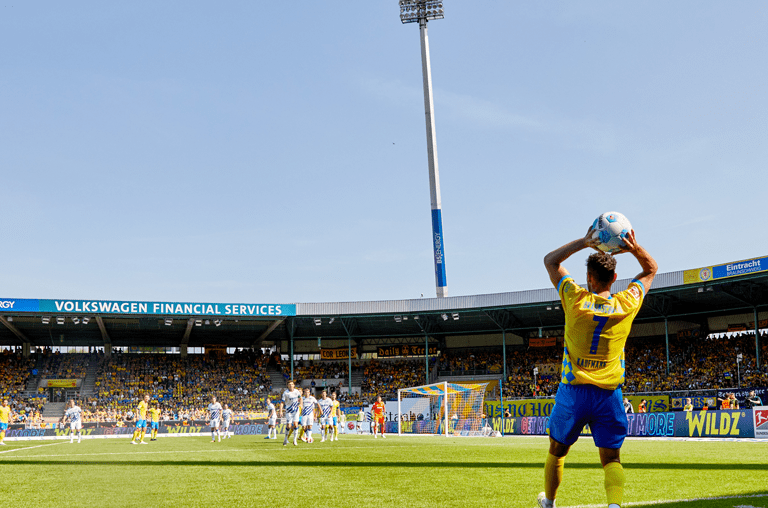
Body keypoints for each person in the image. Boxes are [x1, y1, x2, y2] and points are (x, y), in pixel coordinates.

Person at [537, 227, 657, 508]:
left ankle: (550, 503)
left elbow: (550, 261)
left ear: (589, 278)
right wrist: (634, 249)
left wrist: (584, 242)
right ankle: (614, 505)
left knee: (557, 450)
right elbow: (650, 270)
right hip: (609, 395)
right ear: (615, 278)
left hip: (573, 392)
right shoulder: (626, 303)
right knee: (611, 459)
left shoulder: (575, 299)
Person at [280, 381, 302, 446]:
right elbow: (282, 402)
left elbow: (300, 398)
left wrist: (301, 404)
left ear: (294, 385)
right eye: (289, 384)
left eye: (292, 384)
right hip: (289, 411)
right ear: (288, 386)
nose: (291, 385)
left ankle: (295, 440)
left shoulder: (297, 392)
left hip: (296, 411)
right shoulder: (285, 393)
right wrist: (281, 411)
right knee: (289, 426)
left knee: (295, 424)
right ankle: (285, 439)